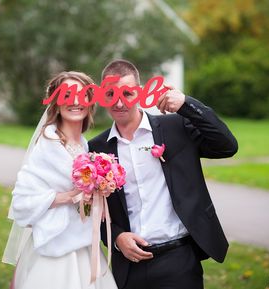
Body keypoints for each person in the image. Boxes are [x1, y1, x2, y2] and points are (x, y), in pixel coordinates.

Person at [88, 59, 238, 289]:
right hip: (128, 267)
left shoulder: (175, 127)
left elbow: (227, 146)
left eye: (127, 93)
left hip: (178, 261)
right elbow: (92, 209)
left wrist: (186, 104)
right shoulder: (97, 149)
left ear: (139, 93)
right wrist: (117, 238)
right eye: (110, 94)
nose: (118, 102)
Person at [3, 71, 118, 289]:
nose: (75, 101)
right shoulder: (48, 144)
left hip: (83, 246)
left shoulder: (84, 145)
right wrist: (69, 197)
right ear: (56, 102)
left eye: (81, 94)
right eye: (66, 95)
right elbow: (22, 201)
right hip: (55, 249)